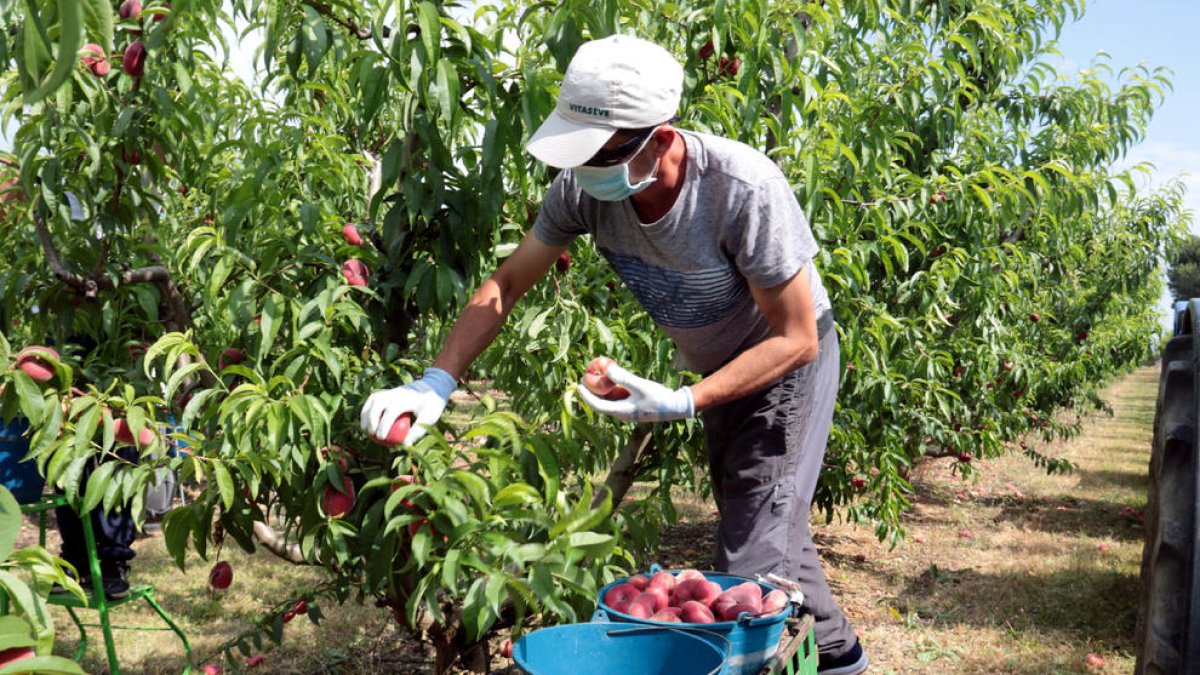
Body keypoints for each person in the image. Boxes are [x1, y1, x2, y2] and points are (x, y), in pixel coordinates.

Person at [360, 35, 867, 674]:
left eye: (598, 152)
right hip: (718, 368)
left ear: (659, 138)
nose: (582, 168)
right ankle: (843, 657)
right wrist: (435, 381)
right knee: (767, 524)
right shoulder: (583, 192)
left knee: (752, 565)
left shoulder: (742, 189)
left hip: (786, 364)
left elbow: (796, 338)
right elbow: (508, 282)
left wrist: (683, 401)